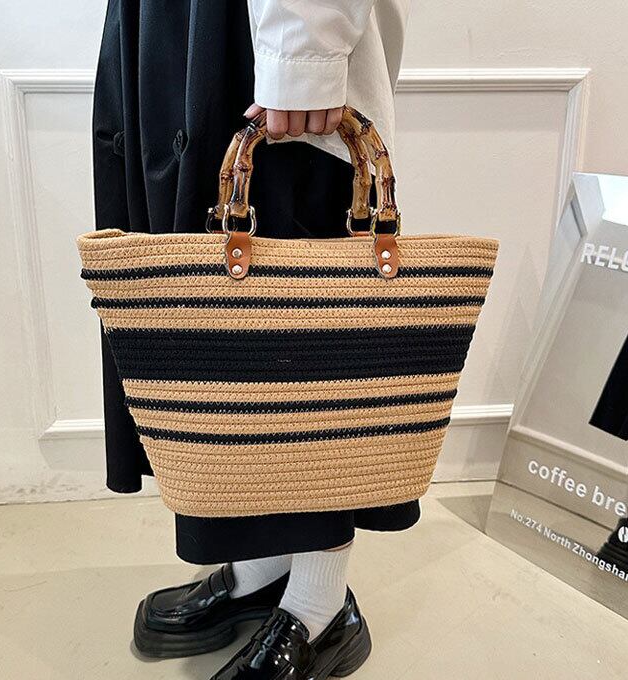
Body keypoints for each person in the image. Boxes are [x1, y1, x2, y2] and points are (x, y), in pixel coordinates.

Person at [93, 1, 410, 677]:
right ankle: (265, 570)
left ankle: (320, 604)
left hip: (248, 24)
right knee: (223, 346)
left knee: (305, 345)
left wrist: (305, 46)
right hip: (177, 28)